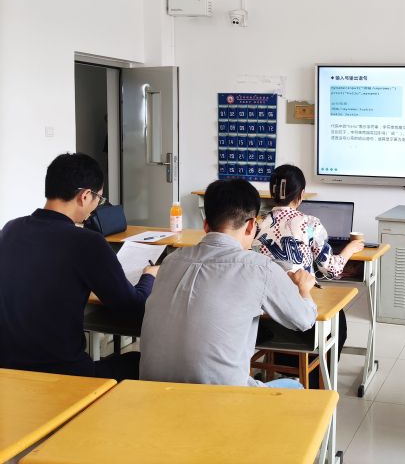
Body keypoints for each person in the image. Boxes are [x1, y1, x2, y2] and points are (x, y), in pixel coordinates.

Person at [139, 178, 317, 388]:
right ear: (251, 225)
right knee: (296, 388)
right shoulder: (260, 267)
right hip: (221, 399)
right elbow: (304, 320)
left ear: (206, 225)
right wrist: (304, 290)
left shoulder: (170, 261)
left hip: (153, 392)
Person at [0, 152, 157, 380]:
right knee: (140, 361)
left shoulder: (10, 229)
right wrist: (149, 276)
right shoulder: (87, 242)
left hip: (8, 372)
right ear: (85, 196)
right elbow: (132, 308)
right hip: (64, 376)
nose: (96, 206)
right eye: (99, 198)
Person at [253, 164, 363, 371]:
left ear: (272, 192)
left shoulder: (256, 225)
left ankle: (277, 368)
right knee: (338, 320)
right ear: (301, 194)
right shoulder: (310, 223)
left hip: (264, 314)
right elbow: (331, 270)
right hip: (299, 314)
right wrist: (349, 250)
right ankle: (317, 378)